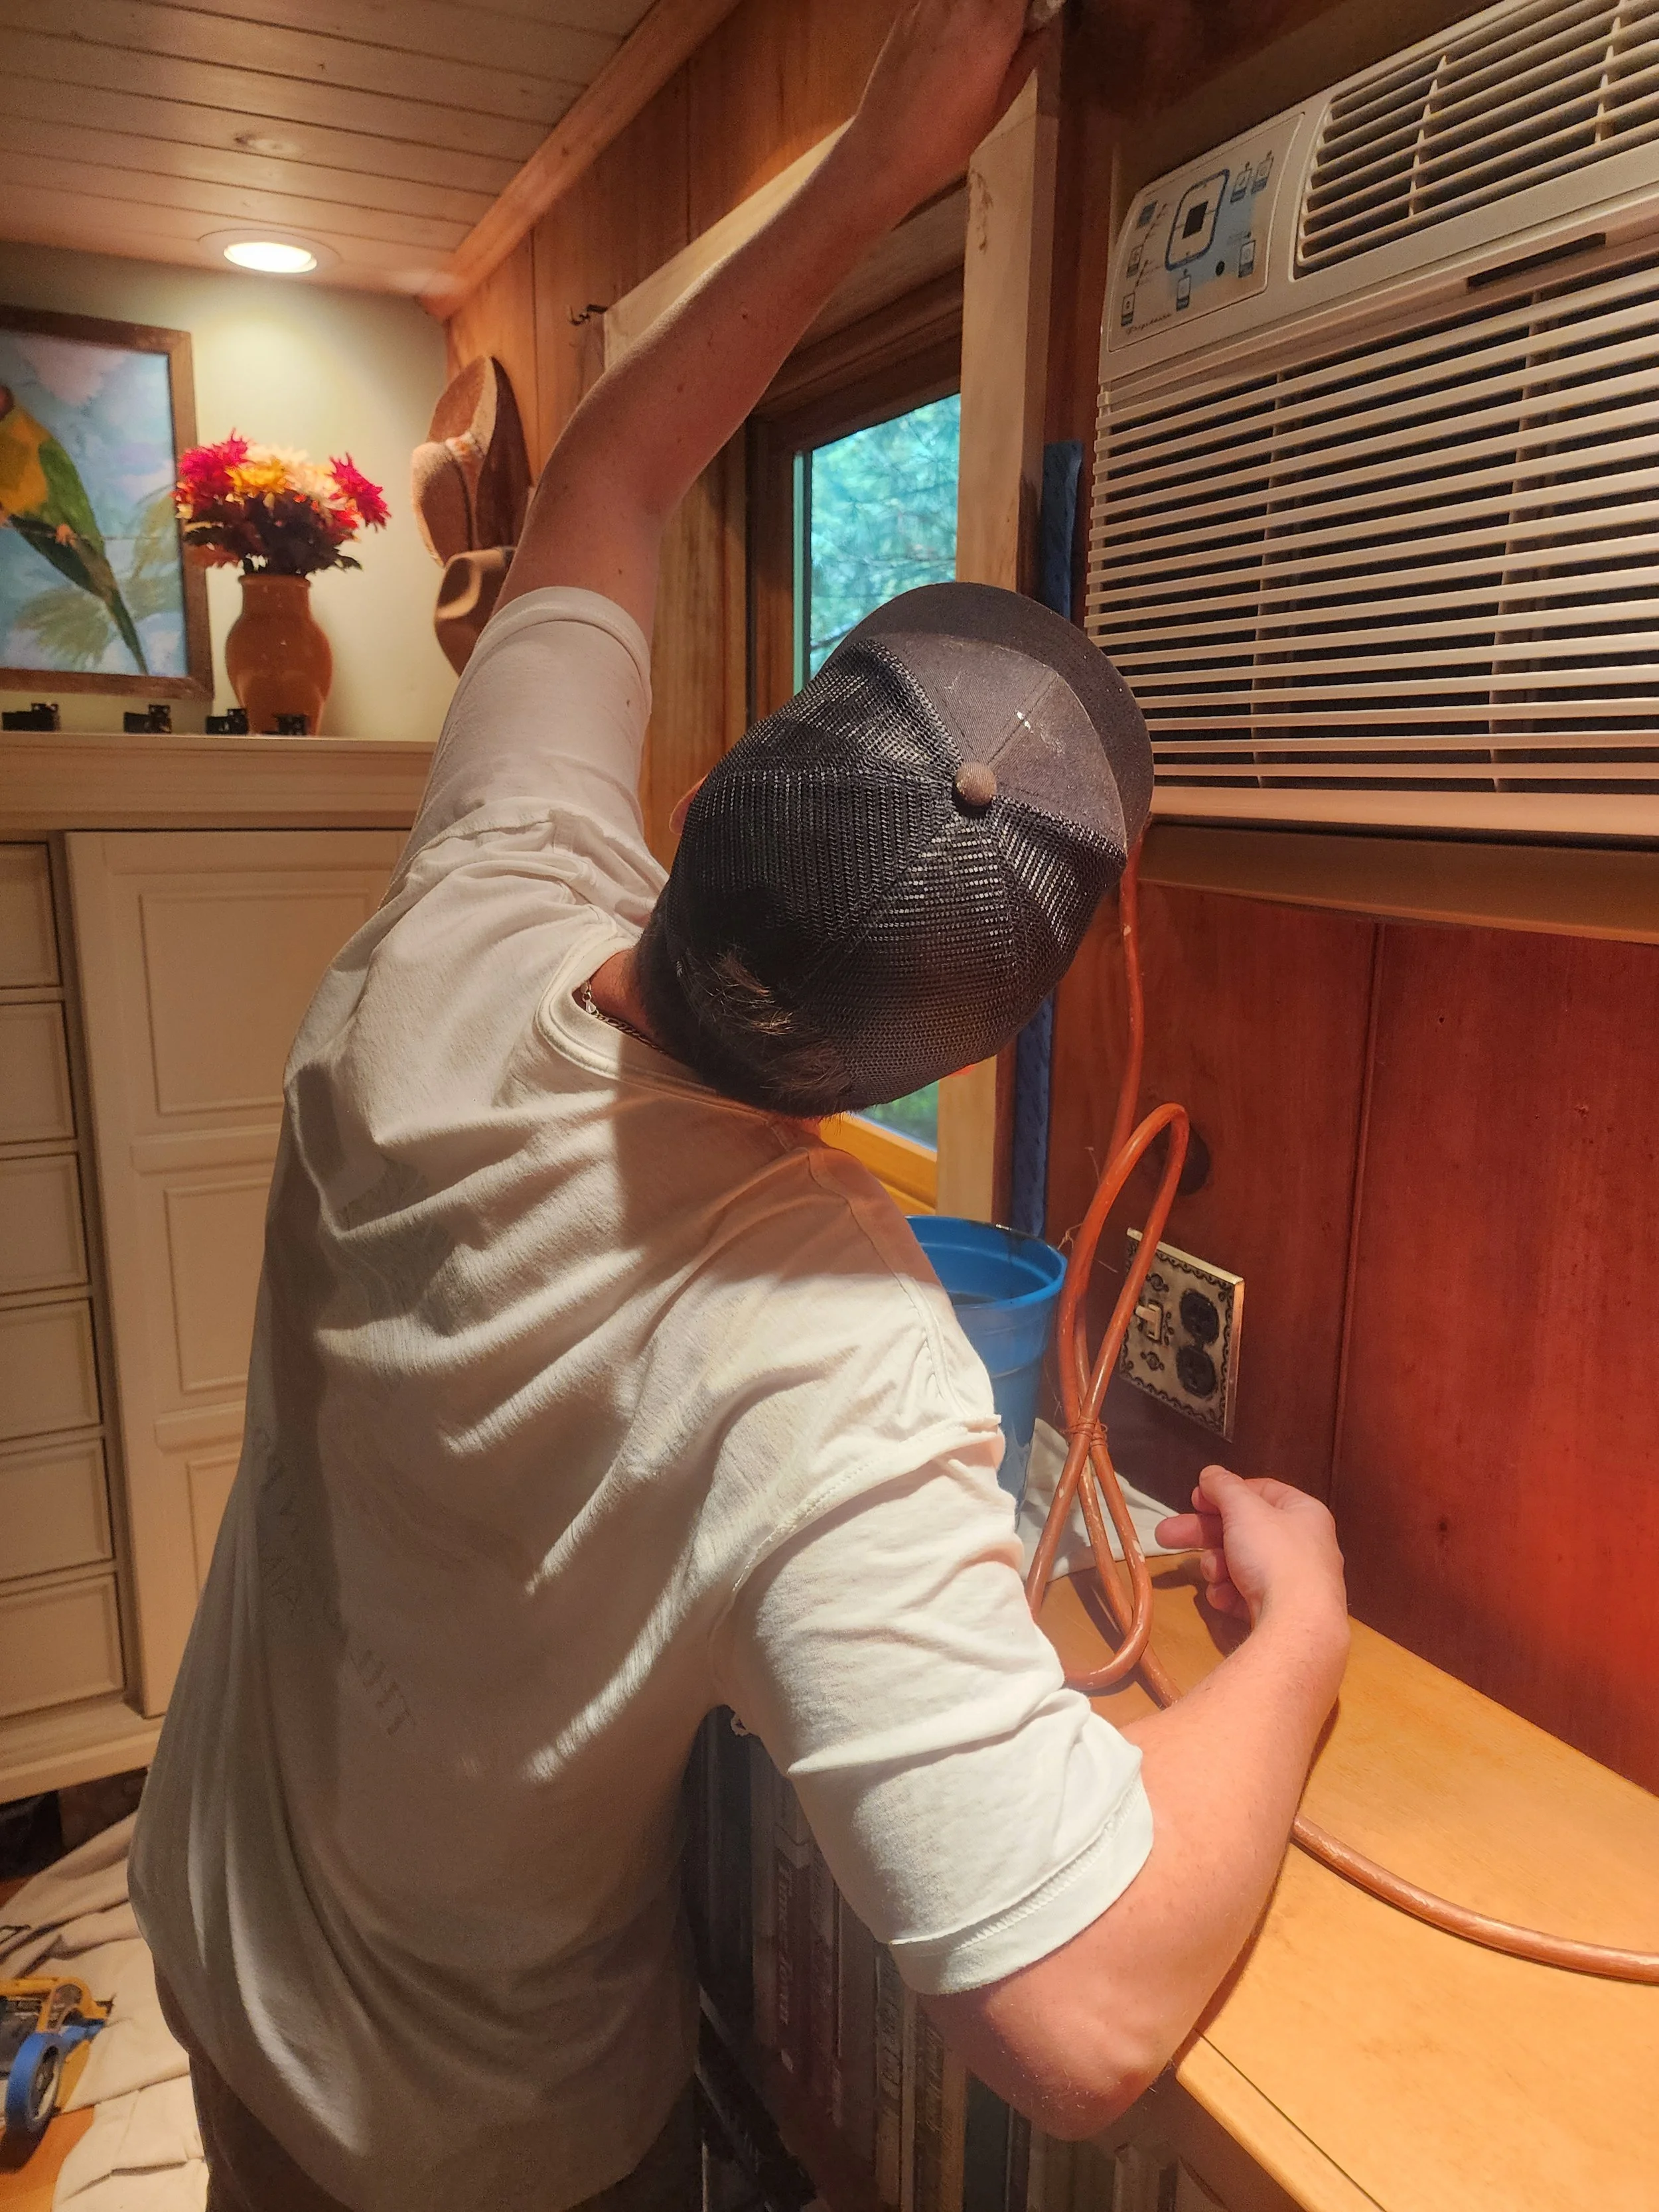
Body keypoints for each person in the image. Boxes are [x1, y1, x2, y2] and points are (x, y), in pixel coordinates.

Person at [130, 3, 1350, 2207]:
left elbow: (600, 475)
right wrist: (1313, 1622)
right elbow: (1076, 2021)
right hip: (462, 2147)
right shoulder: (818, 1337)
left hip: (225, 1953)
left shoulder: (477, 915)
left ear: (712, 797)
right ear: (943, 1068)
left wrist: (883, 154)